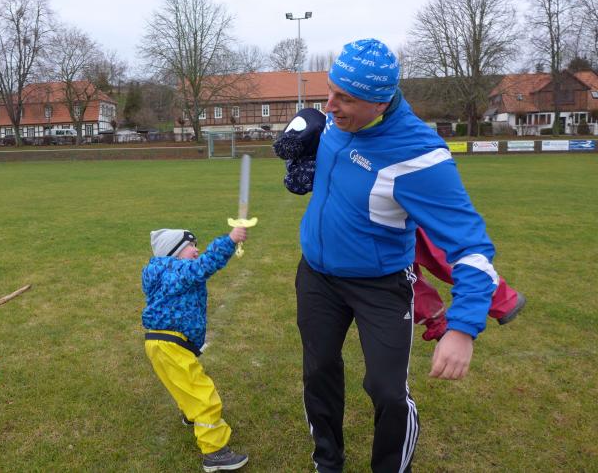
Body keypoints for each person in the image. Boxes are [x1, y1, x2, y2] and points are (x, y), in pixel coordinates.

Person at [289, 38, 502, 473]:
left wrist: (462, 328)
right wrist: (302, 154)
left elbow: (471, 246)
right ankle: (327, 462)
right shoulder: (336, 121)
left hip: (380, 284)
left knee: (387, 391)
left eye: (345, 98)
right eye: (330, 91)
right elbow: (326, 148)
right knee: (318, 372)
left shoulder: (420, 156)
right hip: (317, 276)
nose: (329, 106)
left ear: (380, 103)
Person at [274, 109, 526, 343]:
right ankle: (443, 319)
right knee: (406, 277)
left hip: (390, 210)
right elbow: (299, 180)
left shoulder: (348, 124)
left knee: (438, 257)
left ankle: (501, 298)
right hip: (360, 227)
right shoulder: (329, 138)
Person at [141, 227, 250, 472]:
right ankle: (214, 452)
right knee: (203, 395)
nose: (196, 250)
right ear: (174, 252)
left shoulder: (162, 272)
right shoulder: (176, 271)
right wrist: (230, 241)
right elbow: (204, 266)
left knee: (183, 384)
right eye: (190, 245)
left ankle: (190, 415)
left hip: (160, 342)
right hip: (171, 343)